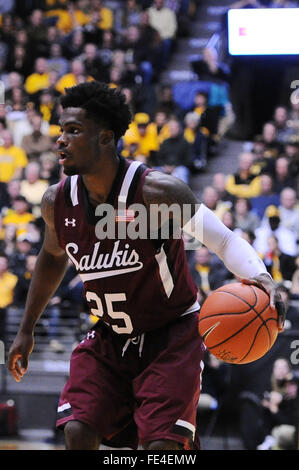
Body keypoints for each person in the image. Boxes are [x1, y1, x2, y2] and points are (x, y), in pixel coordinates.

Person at [7, 81, 284, 451]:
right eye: (61, 130)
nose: (61, 140)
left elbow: (224, 240)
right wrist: (26, 328)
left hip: (171, 336)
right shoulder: (56, 201)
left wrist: (262, 278)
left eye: (73, 131)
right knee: (77, 431)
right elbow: (52, 257)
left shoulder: (157, 192)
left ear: (106, 137)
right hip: (109, 336)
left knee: (161, 450)